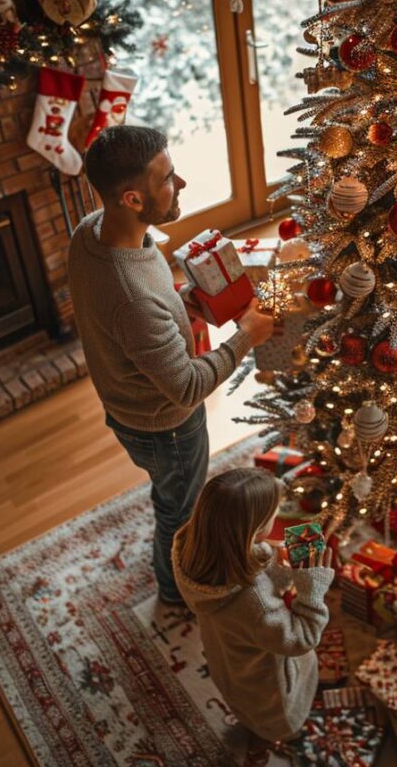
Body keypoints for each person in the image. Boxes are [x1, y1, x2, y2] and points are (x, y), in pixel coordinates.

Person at [69, 125, 274, 605]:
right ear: (133, 199)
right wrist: (248, 335)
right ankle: (175, 592)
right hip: (168, 428)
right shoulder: (132, 299)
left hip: (129, 406)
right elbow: (185, 388)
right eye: (168, 178)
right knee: (178, 513)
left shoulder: (92, 232)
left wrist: (185, 303)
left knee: (170, 498)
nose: (180, 184)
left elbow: (133, 322)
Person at [173, 468, 334, 767]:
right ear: (255, 529)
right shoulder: (255, 603)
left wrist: (271, 558)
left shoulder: (191, 547)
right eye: (273, 515)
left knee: (243, 700)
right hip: (267, 684)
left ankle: (255, 728)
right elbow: (301, 639)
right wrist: (311, 590)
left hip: (226, 657)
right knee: (271, 720)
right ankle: (264, 738)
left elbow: (248, 561)